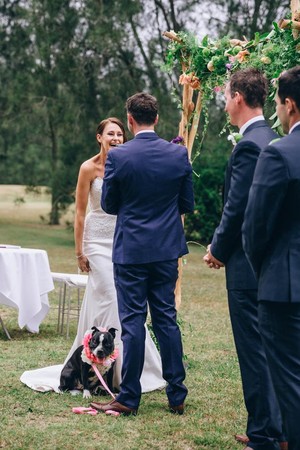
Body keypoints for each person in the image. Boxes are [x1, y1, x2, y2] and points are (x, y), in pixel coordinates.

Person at [20, 117, 165, 394]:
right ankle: (108, 367)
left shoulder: (127, 164)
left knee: (117, 299)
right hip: (96, 243)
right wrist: (79, 251)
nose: (116, 138)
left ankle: (120, 369)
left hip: (123, 241)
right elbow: (79, 213)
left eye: (120, 134)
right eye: (111, 133)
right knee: (112, 294)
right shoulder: (88, 168)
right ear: (99, 137)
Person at [90, 93, 194, 416]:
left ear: (130, 120)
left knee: (133, 323)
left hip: (131, 251)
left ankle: (129, 397)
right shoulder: (178, 155)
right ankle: (176, 394)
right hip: (165, 251)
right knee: (166, 319)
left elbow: (109, 205)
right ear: (157, 119)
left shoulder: (119, 158)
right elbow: (187, 205)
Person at [203, 68, 286, 450]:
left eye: (225, 95)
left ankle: (265, 434)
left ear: (237, 97)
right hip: (265, 266)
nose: (224, 102)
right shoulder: (271, 137)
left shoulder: (251, 144)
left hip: (247, 267)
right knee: (266, 351)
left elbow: (239, 208)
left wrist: (217, 249)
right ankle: (271, 428)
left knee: (254, 352)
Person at [242, 66, 300, 450]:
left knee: (291, 387)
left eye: (278, 104)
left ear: (289, 105)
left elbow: (254, 230)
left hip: (286, 290)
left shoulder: (280, 153)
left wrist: (267, 271)